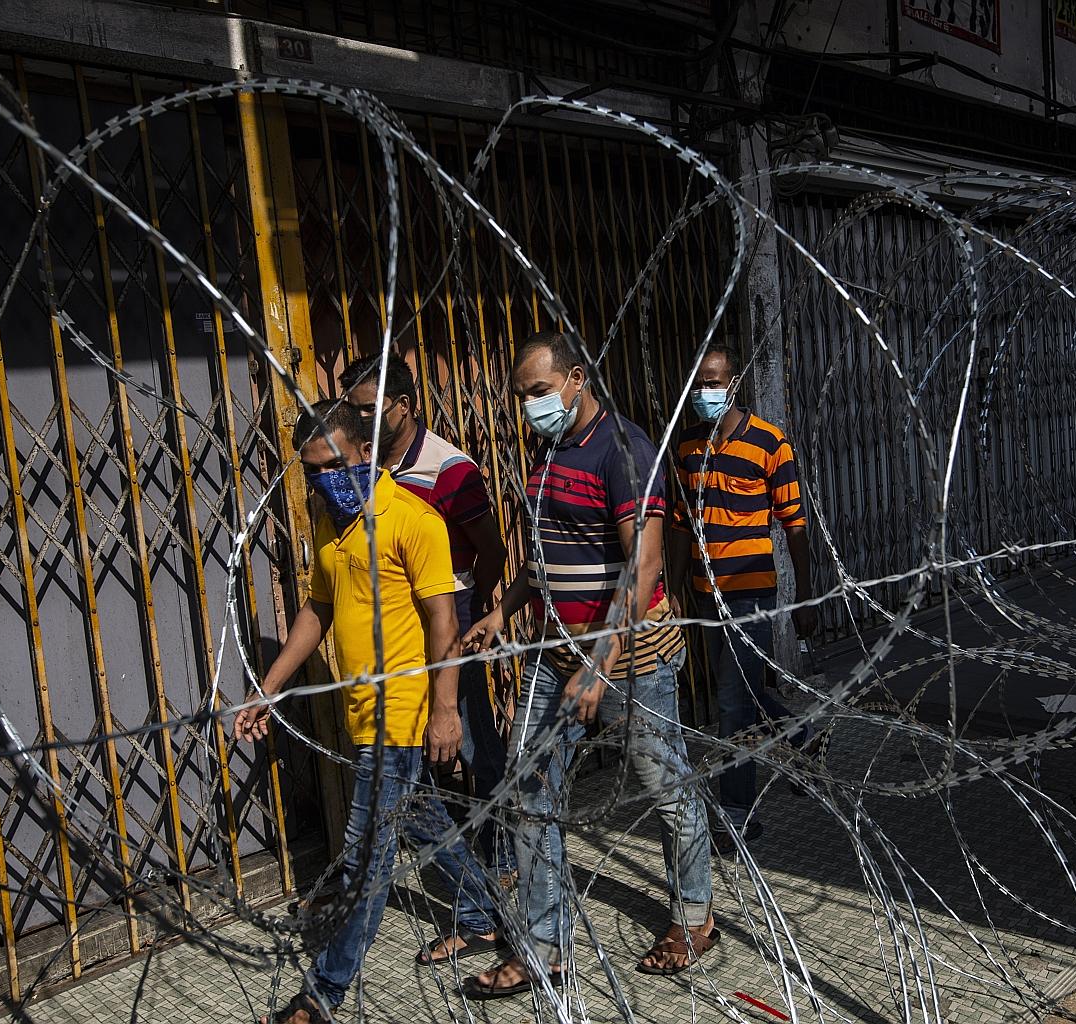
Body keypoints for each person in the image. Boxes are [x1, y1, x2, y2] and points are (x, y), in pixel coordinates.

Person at [461, 330, 718, 997]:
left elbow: (644, 568)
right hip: (555, 653)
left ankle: (695, 917)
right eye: (520, 396)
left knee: (665, 787)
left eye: (538, 392)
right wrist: (504, 607)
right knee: (528, 793)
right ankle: (542, 948)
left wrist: (596, 665)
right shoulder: (547, 452)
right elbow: (546, 554)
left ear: (577, 379)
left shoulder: (625, 451)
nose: (528, 406)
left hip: (630, 657)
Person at [231, 403, 503, 1024]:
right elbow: (316, 609)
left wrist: (443, 710)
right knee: (422, 820)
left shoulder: (413, 521)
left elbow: (444, 621)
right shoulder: (332, 523)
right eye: (311, 470)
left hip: (404, 710)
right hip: (363, 711)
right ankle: (482, 916)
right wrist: (268, 687)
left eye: (333, 465)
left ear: (365, 453)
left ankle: (322, 995)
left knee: (365, 856)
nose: (322, 479)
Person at [339, 354, 517, 908]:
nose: (359, 421)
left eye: (369, 411)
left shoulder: (449, 469)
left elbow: (491, 549)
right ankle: (466, 877)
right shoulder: (363, 468)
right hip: (394, 630)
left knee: (466, 738)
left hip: (447, 622)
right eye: (353, 411)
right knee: (418, 757)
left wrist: (475, 611)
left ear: (405, 407)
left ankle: (500, 858)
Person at [668, 342, 816, 852]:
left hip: (752, 591)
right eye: (698, 383)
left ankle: (736, 815)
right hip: (707, 592)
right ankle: (801, 736)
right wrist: (679, 583)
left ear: (735, 385)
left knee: (733, 704)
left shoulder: (771, 444)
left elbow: (795, 526)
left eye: (713, 382)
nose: (703, 392)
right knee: (743, 694)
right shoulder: (687, 446)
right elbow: (682, 523)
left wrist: (807, 595)